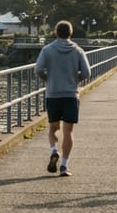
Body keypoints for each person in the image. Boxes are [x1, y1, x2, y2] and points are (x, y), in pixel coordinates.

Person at [34, 20, 91, 177]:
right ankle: (64, 166)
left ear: (56, 33)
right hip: (71, 94)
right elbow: (87, 73)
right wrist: (74, 80)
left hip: (53, 94)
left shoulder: (47, 50)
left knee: (53, 128)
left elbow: (38, 69)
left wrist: (48, 79)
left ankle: (54, 150)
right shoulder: (78, 51)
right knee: (68, 131)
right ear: (70, 33)